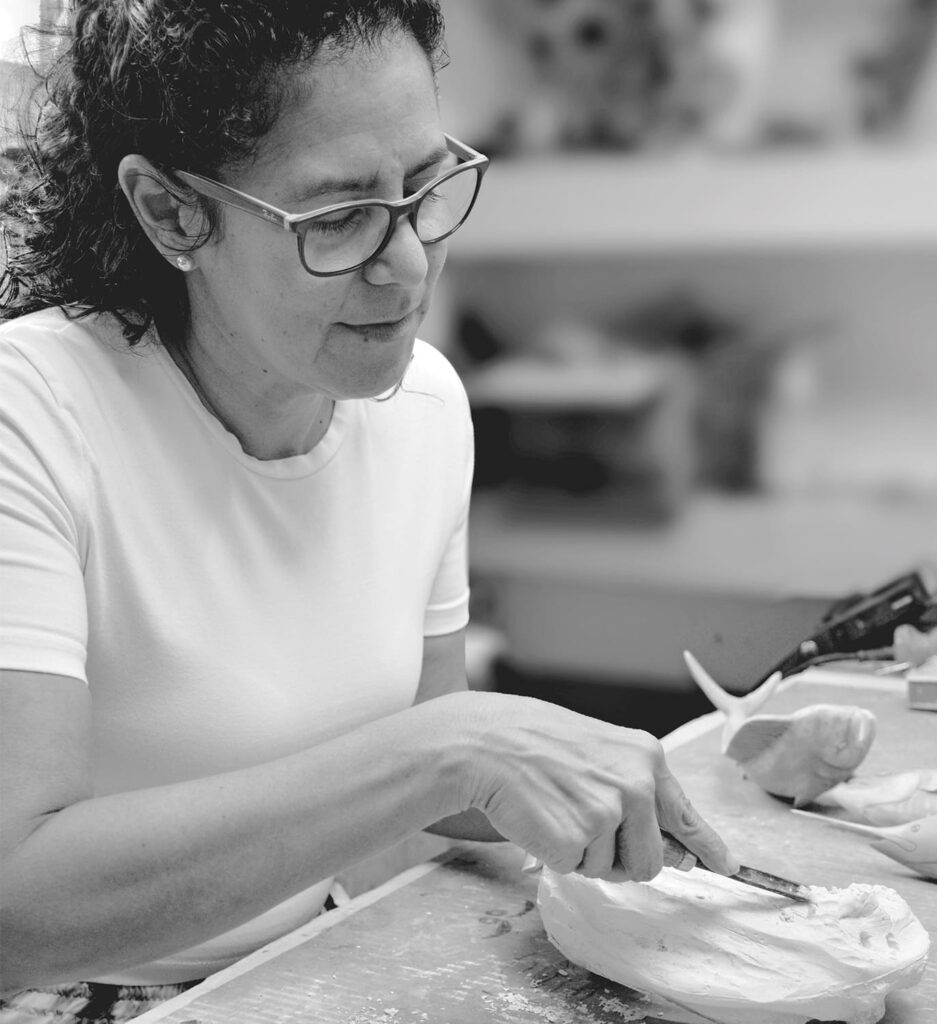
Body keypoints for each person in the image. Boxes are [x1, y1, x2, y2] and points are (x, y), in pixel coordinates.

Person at [0, 2, 739, 1018]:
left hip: (306, 965)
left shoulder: (424, 408)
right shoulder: (32, 414)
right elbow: (15, 903)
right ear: (173, 213)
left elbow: (434, 791)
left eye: (425, 187)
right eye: (339, 216)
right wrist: (459, 745)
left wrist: (608, 775)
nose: (407, 265)